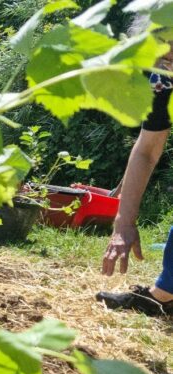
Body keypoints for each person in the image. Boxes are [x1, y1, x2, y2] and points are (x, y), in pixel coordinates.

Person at [95, 47, 173, 316]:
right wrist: (124, 222)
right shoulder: (162, 77)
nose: (168, 66)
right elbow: (147, 150)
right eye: (165, 58)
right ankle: (164, 294)